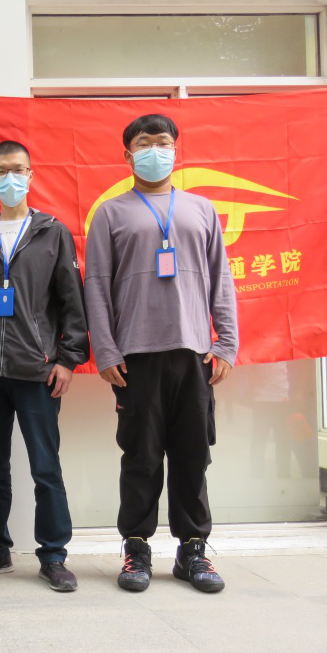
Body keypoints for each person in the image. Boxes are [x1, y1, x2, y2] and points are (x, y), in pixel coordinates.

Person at [84, 114, 237, 594]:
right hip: (136, 357)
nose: (155, 150)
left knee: (193, 455)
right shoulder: (110, 213)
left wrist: (226, 342)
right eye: (144, 143)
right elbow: (96, 286)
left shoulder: (201, 209)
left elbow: (221, 279)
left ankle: (194, 550)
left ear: (176, 149)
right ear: (127, 155)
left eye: (163, 142)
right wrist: (105, 349)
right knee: (141, 457)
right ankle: (136, 549)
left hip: (194, 354)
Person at [0, 140, 89, 591]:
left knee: (45, 467)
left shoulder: (53, 233)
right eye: (0, 171)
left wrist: (67, 359)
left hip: (37, 372)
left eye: (17, 170)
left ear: (30, 174)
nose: (9, 178)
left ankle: (53, 555)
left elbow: (72, 302)